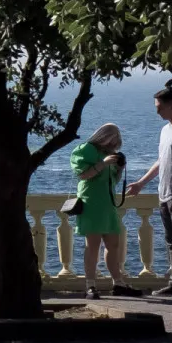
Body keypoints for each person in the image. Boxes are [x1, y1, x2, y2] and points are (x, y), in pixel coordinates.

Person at [128, 90, 172, 301]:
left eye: (159, 107)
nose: (157, 111)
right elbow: (161, 162)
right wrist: (141, 183)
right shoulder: (165, 130)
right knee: (171, 241)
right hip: (164, 193)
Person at [70, 123, 135, 300]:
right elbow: (83, 174)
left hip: (108, 205)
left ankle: (118, 283)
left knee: (113, 244)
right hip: (91, 204)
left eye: (116, 141)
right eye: (112, 139)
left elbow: (112, 180)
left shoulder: (109, 154)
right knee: (92, 245)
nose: (114, 143)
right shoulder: (86, 149)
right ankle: (90, 285)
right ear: (103, 136)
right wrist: (103, 163)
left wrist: (119, 169)